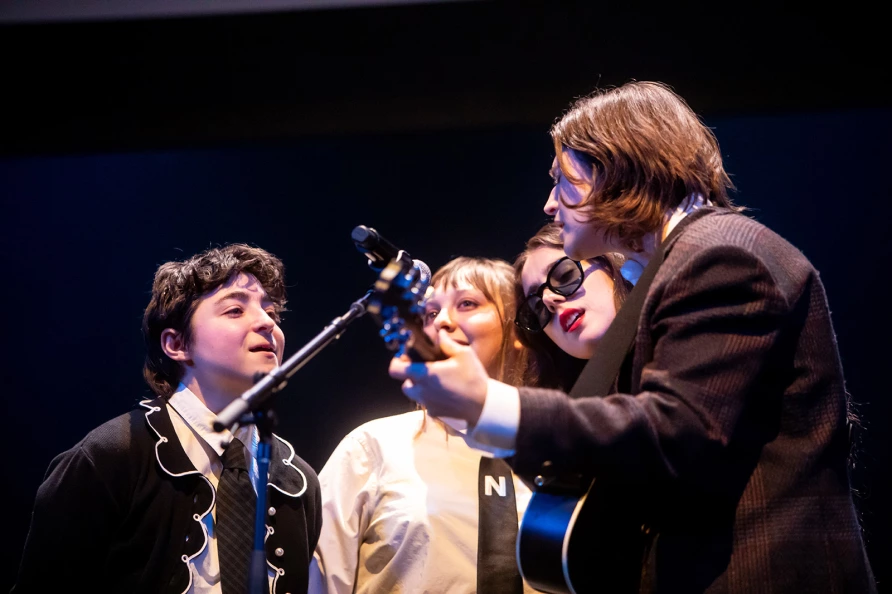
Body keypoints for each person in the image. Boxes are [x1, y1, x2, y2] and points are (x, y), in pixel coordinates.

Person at [390, 81, 877, 592]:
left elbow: (676, 431)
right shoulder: (670, 269)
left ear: (615, 171)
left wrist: (491, 404)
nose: (549, 205)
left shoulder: (721, 257)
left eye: (563, 181)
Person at [12, 243, 322, 594]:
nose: (267, 323)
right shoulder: (111, 458)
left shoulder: (298, 481)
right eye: (235, 310)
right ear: (177, 344)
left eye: (273, 313)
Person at [311, 256, 597, 594]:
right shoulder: (372, 447)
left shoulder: (562, 451)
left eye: (467, 303)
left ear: (519, 328)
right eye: (431, 313)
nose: (443, 322)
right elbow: (319, 580)